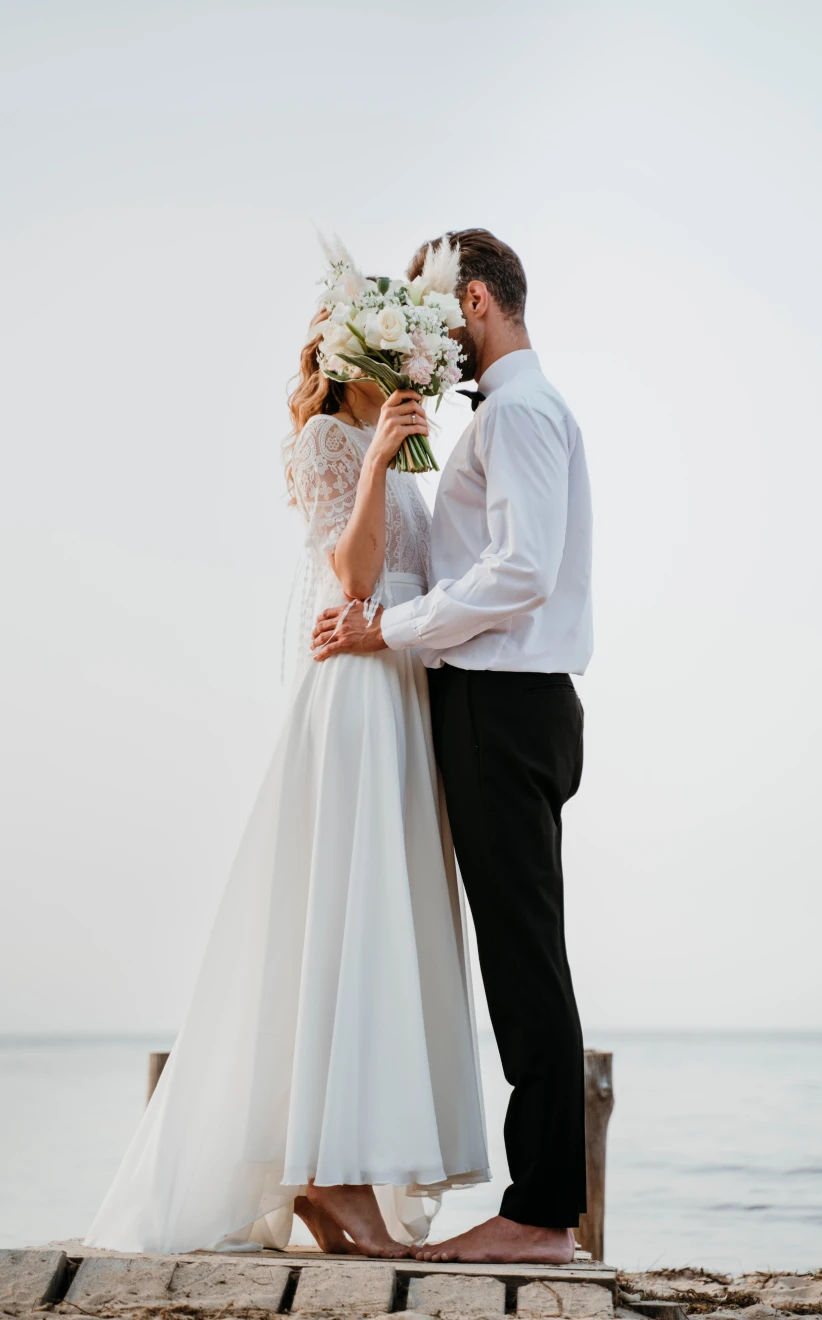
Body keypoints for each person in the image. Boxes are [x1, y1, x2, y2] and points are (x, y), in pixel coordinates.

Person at [83, 299, 489, 1259]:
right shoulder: (324, 440)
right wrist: (381, 460)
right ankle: (328, 1175)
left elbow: (420, 580)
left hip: (401, 684)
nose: (409, 375)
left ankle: (345, 1174)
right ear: (357, 352)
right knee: (346, 914)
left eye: (415, 361)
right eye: (395, 355)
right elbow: (350, 576)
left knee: (384, 918)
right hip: (353, 692)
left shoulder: (397, 442)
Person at [312, 228, 593, 1264]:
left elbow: (522, 571)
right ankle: (541, 1206)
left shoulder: (517, 412)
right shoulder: (518, 412)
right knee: (526, 957)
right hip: (514, 703)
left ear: (475, 300)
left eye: (438, 313)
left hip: (503, 703)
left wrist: (392, 626)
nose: (434, 335)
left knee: (525, 963)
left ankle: (541, 1215)